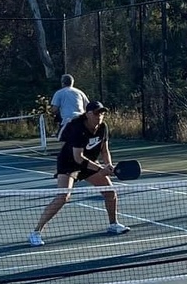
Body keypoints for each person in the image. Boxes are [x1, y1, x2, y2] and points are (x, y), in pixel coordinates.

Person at [29, 100, 129, 246]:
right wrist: (100, 169)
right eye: (96, 113)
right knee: (63, 196)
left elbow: (104, 149)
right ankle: (36, 232)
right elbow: (78, 157)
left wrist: (108, 165)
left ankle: (113, 224)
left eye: (102, 113)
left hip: (88, 164)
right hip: (69, 164)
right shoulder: (78, 128)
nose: (100, 116)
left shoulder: (103, 127)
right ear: (88, 114)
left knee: (110, 192)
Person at [50, 74, 89, 139]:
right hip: (81, 120)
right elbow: (88, 107)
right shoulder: (80, 92)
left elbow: (54, 109)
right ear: (72, 82)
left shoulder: (59, 93)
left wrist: (52, 113)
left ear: (62, 83)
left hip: (67, 121)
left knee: (64, 142)